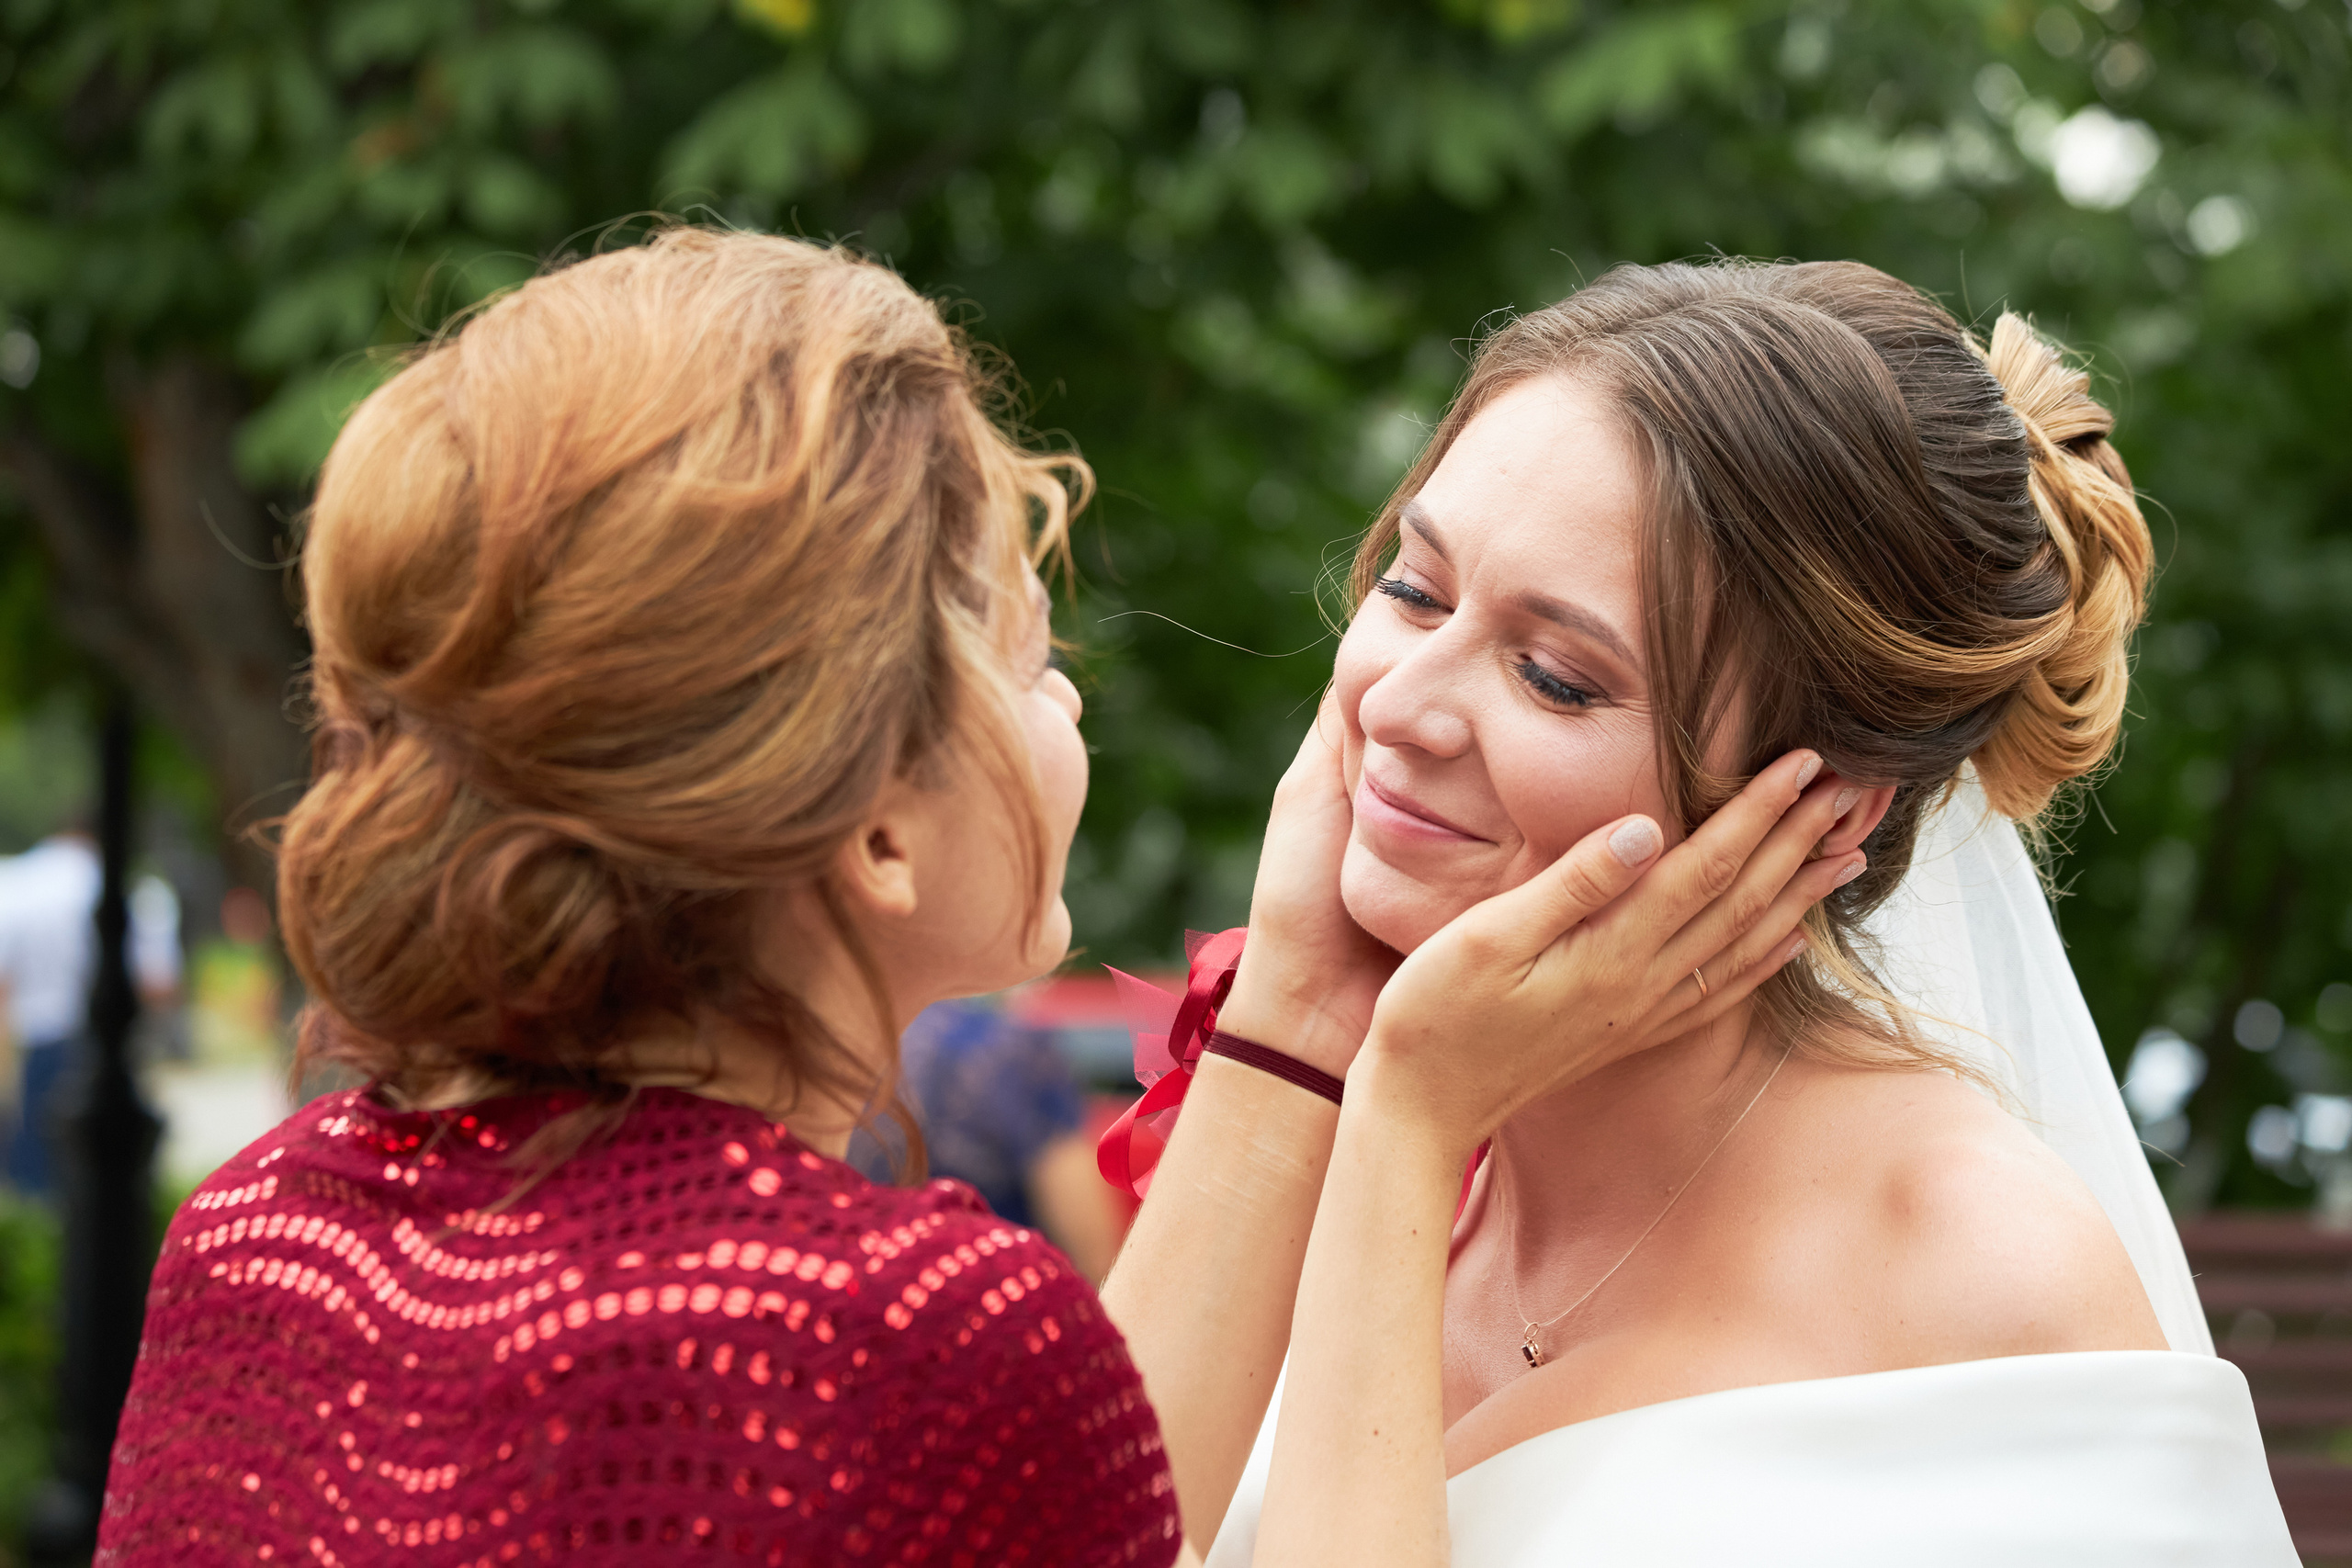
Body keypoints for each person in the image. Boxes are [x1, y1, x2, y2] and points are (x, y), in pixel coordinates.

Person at [95, 230, 1833, 1567]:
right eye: (1023, 652)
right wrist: (1409, 1115)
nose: (1067, 702)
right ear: (878, 841)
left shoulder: (257, 1232)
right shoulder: (901, 1340)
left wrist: (1307, 999)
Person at [1097, 262, 2293, 1564]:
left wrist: (1406, 1123)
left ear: (1822, 804)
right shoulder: (1321, 1111)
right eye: (1416, 590)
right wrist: (1299, 1011)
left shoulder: (1979, 1273)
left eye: (1555, 675)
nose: (1398, 703)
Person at [850, 997, 1125, 1280]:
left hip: (870, 1299)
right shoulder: (1010, 1047)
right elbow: (1093, 1250)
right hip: (1013, 1299)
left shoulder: (829, 1057)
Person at [0, 826, 181, 1194]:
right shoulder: (136, 890)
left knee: (38, 1184)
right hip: (111, 1048)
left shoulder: (19, 884)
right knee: (112, 1183)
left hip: (41, 1045)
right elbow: (160, 984)